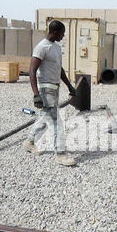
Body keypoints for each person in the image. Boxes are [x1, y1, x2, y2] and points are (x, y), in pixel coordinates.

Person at [23, 20, 77, 167]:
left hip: (55, 87)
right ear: (54, 32)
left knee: (45, 117)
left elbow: (60, 70)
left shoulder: (56, 48)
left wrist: (70, 86)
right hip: (45, 88)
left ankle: (29, 141)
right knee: (56, 121)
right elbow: (32, 72)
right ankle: (60, 154)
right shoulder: (42, 47)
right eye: (62, 33)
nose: (63, 35)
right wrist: (36, 94)